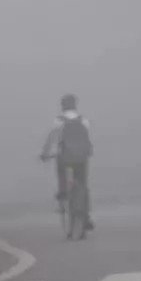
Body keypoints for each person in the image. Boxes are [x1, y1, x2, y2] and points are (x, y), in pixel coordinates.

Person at [40, 94, 94, 230]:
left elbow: (51, 139)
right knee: (83, 184)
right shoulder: (84, 120)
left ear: (63, 106)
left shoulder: (58, 121)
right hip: (81, 158)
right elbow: (87, 139)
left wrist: (45, 154)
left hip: (65, 158)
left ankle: (63, 193)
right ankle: (86, 215)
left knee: (61, 173)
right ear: (75, 105)